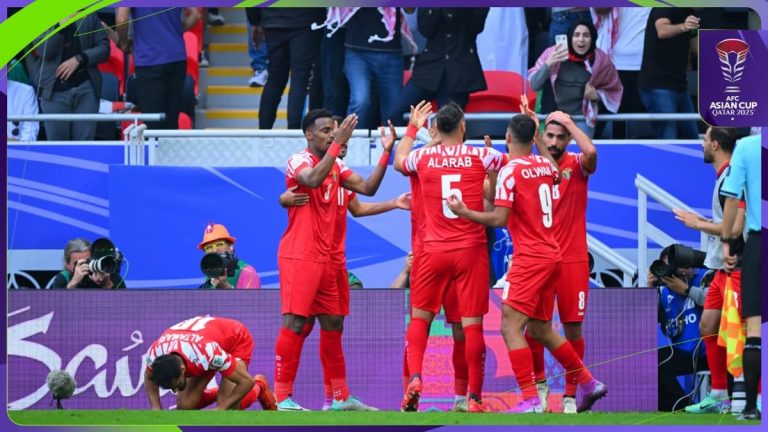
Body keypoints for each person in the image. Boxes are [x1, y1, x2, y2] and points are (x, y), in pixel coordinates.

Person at [446, 114, 607, 414]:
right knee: (541, 329)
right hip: (553, 255)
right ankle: (588, 382)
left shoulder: (510, 171)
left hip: (530, 258)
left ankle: (531, 400)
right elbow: (556, 174)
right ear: (535, 139)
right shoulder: (545, 166)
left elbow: (499, 218)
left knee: (510, 327)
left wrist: (465, 212)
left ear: (508, 138)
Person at [278, 120, 407, 410]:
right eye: (326, 131)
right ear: (308, 134)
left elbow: (367, 191)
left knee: (333, 323)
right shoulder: (300, 160)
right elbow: (311, 179)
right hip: (302, 255)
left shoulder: (337, 167)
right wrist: (337, 146)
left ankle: (339, 397)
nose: (333, 135)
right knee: (296, 323)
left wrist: (386, 153)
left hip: (332, 260)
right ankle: (281, 397)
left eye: (335, 131)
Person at [394, 101, 506, 413]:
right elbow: (514, 161)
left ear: (436, 129)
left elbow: (399, 160)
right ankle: (474, 398)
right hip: (469, 250)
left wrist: (413, 128)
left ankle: (416, 378)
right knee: (471, 327)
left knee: (420, 319)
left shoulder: (422, 156)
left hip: (432, 250)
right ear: (463, 127)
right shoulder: (481, 155)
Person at [522, 110, 597, 414]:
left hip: (573, 261)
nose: (554, 142)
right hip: (540, 260)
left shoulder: (578, 165)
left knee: (573, 330)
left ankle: (569, 396)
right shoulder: (532, 167)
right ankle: (540, 389)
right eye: (549, 136)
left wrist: (569, 122)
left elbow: (591, 152)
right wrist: (534, 130)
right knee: (533, 329)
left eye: (561, 137)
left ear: (568, 139)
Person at [673, 127, 744, 415]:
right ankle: (718, 395)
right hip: (718, 269)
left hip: (736, 266)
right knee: (707, 325)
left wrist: (698, 224)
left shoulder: (733, 177)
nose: (701, 145)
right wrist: (702, 221)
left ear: (715, 145)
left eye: (704, 140)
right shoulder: (722, 177)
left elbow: (736, 228)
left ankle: (753, 394)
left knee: (739, 330)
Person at [144, 315, 276, 411]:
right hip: (204, 342)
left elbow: (246, 382)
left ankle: (260, 386)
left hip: (234, 339)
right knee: (185, 406)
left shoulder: (205, 352)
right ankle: (223, 392)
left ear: (183, 369)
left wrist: (220, 408)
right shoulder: (155, 353)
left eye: (176, 384)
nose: (175, 390)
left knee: (230, 407)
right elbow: (149, 377)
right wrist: (156, 407)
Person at [314, 7, 415, 130]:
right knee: (360, 101)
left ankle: (392, 142)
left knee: (392, 108)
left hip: (391, 53)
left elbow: (410, 9)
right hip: (357, 51)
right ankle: (353, 139)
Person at [720, 133, 761, 421]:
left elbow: (732, 198)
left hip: (759, 243)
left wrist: (726, 241)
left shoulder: (746, 147)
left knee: (755, 329)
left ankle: (749, 407)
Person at [391, 8, 489, 126]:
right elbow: (425, 30)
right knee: (396, 112)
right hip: (429, 69)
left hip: (458, 69)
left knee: (448, 123)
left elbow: (475, 26)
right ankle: (407, 138)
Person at [529, 20, 622, 138]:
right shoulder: (554, 53)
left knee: (583, 148)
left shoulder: (601, 60)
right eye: (576, 35)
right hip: (555, 115)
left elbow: (614, 90)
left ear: (592, 38)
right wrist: (548, 64)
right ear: (570, 38)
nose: (581, 39)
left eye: (586, 35)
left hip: (583, 118)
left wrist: (596, 96)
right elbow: (534, 85)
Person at [116, 7, 201, 130]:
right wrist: (175, 32)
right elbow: (195, 15)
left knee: (152, 122)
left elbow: (122, 19)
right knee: (172, 120)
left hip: (149, 59)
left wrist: (124, 42)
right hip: (176, 57)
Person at [30, 12, 109, 141]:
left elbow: (104, 48)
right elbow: (45, 51)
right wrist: (60, 26)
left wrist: (80, 59)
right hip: (53, 90)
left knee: (84, 145)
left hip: (86, 87)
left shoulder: (88, 14)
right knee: (57, 146)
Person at [648, 246, 709, 412]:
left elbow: (714, 300)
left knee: (661, 363)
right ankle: (681, 408)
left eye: (675, 266)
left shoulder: (705, 276)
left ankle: (683, 408)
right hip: (682, 352)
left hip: (707, 351)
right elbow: (648, 317)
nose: (673, 272)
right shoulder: (665, 290)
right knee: (649, 361)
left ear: (687, 263)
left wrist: (685, 289)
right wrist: (650, 287)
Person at [246, 8, 325, 129]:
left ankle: (264, 130)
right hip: (306, 19)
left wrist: (255, 21)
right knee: (299, 79)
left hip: (273, 20)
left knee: (275, 80)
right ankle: (293, 130)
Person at [637, 8, 699, 139]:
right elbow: (662, 30)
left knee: (692, 136)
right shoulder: (666, 5)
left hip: (679, 85)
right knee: (668, 138)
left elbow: (696, 45)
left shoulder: (691, 13)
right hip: (658, 85)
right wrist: (684, 26)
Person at [592, 7, 651, 138]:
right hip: (613, 60)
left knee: (651, 118)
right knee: (611, 113)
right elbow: (599, 8)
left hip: (646, 62)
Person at [197, 223, 261, 289]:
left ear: (231, 247)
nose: (214, 250)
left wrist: (225, 287)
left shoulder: (247, 272)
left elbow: (251, 296)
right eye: (209, 247)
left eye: (219, 244)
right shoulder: (209, 276)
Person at [50, 238, 125, 289]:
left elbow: (124, 304)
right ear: (67, 265)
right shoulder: (63, 278)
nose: (84, 266)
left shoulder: (108, 275)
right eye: (77, 263)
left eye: (88, 261)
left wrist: (107, 284)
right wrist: (73, 283)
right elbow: (56, 305)